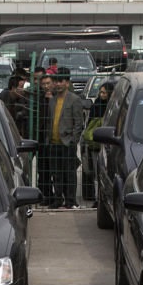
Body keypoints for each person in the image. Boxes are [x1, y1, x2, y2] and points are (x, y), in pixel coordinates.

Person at [38, 71, 88, 207]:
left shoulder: (74, 99)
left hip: (67, 143)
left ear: (67, 83)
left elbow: (78, 123)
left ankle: (70, 200)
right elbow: (49, 121)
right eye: (56, 82)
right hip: (53, 143)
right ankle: (58, 199)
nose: (58, 84)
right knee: (56, 173)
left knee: (69, 173)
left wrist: (73, 140)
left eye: (61, 81)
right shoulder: (52, 100)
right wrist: (48, 139)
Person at [0, 73, 31, 139]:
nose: (23, 90)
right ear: (13, 88)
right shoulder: (1, 99)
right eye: (21, 87)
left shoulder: (23, 99)